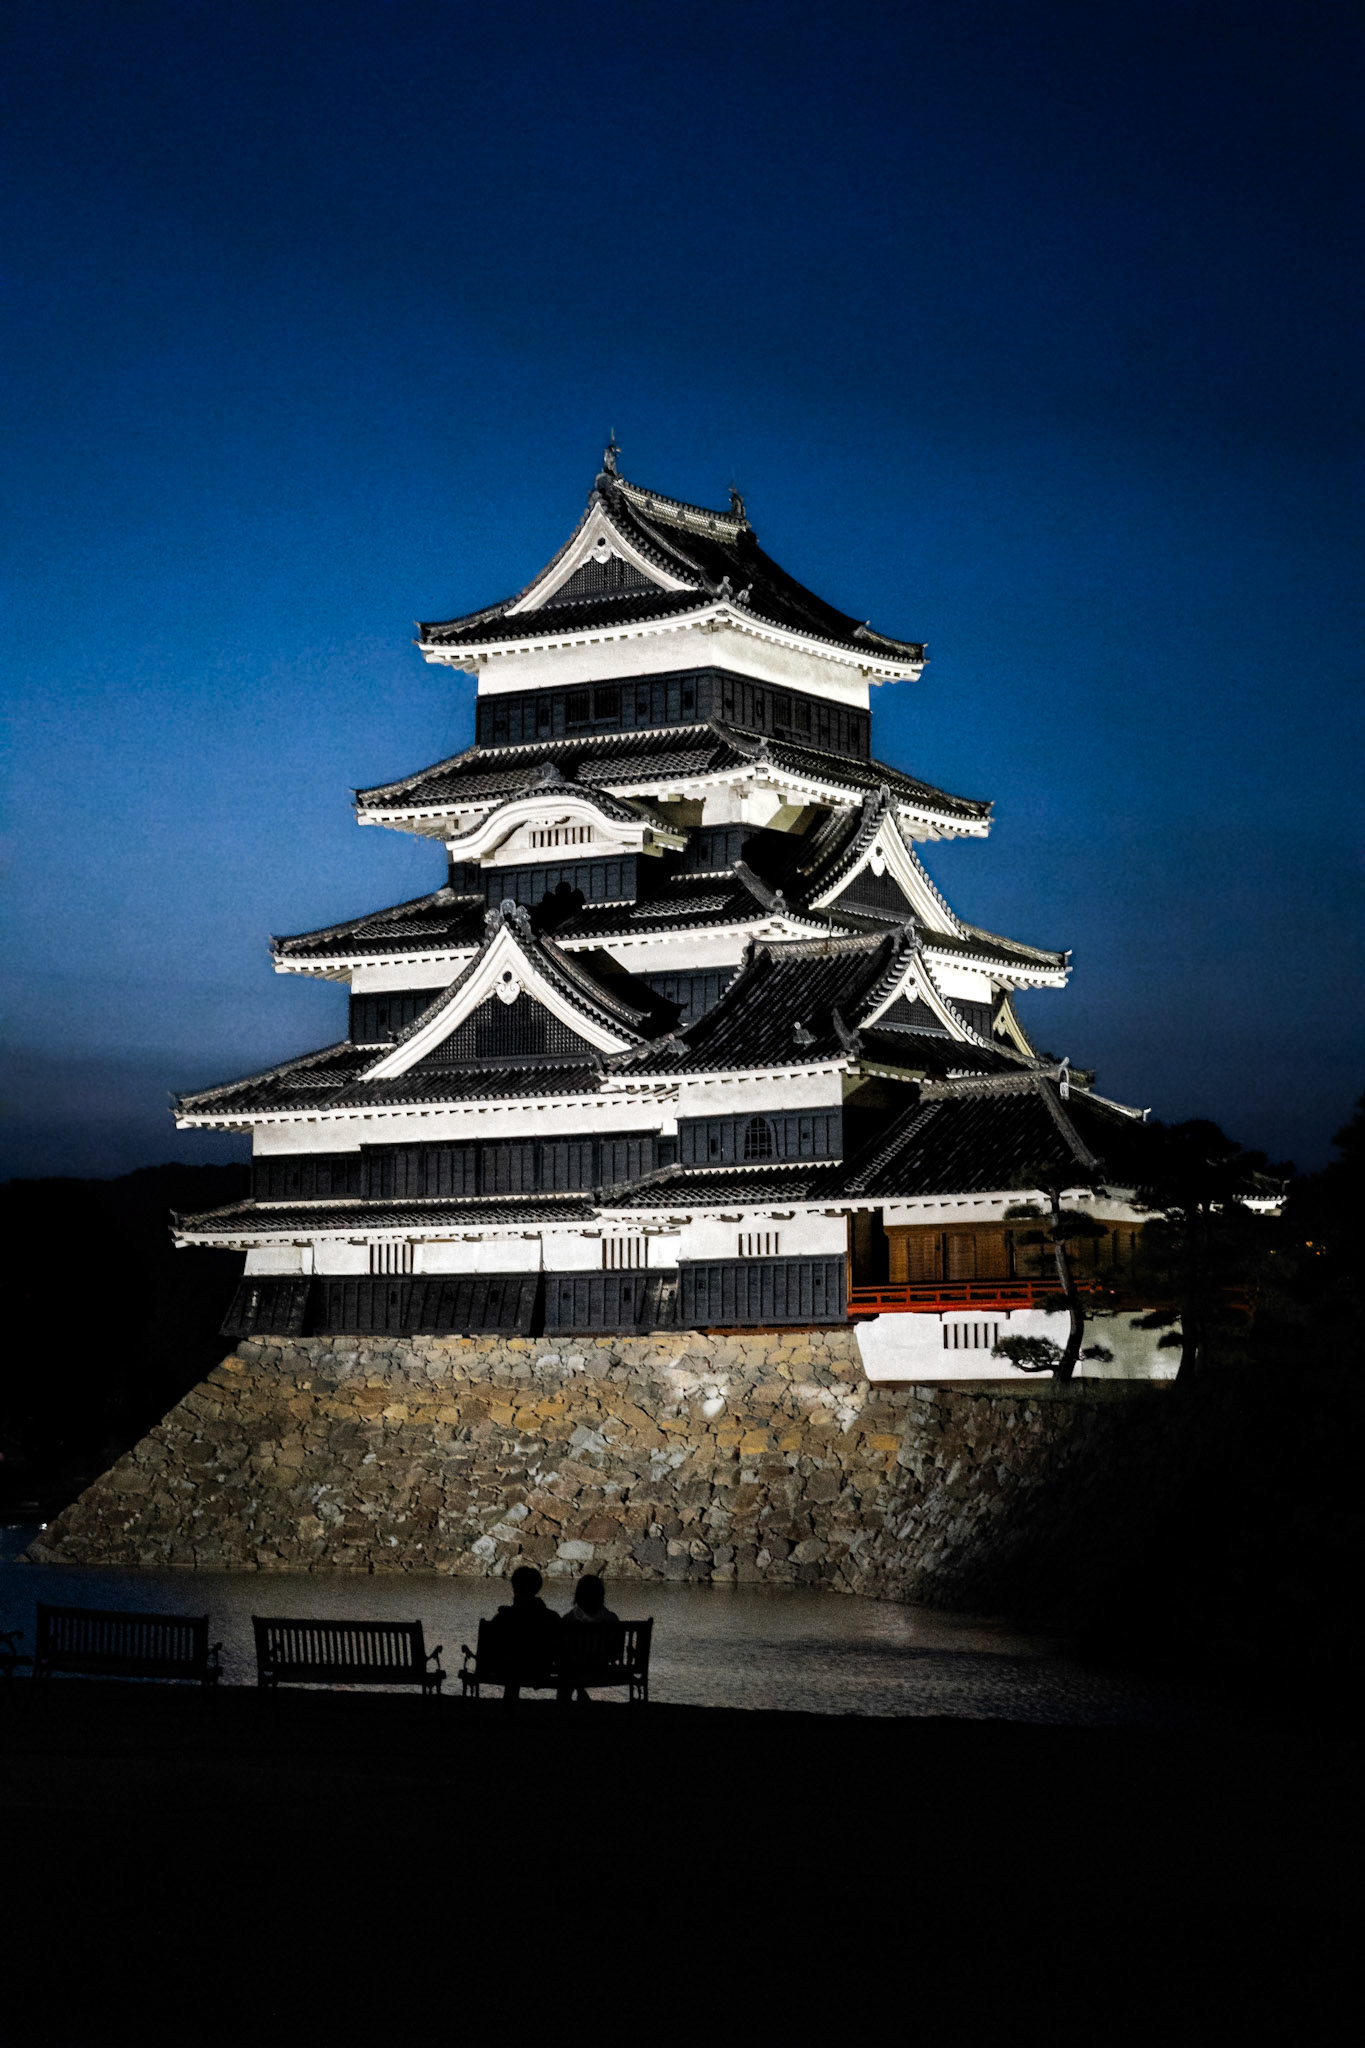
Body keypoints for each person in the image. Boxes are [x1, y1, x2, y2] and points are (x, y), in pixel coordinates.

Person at [487, 1564, 560, 1705]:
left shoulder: (503, 1618)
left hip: (507, 1669)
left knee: (512, 1666)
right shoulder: (552, 1618)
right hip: (540, 1669)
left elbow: (492, 1649)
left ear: (514, 1588)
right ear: (537, 1588)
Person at [557, 1574, 620, 1704]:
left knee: (567, 1668)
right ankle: (581, 1691)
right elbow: (615, 1653)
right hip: (601, 1669)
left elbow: (562, 1650)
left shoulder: (569, 1620)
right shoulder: (611, 1619)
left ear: (578, 1595)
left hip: (574, 1669)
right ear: (601, 1595)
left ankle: (565, 1703)